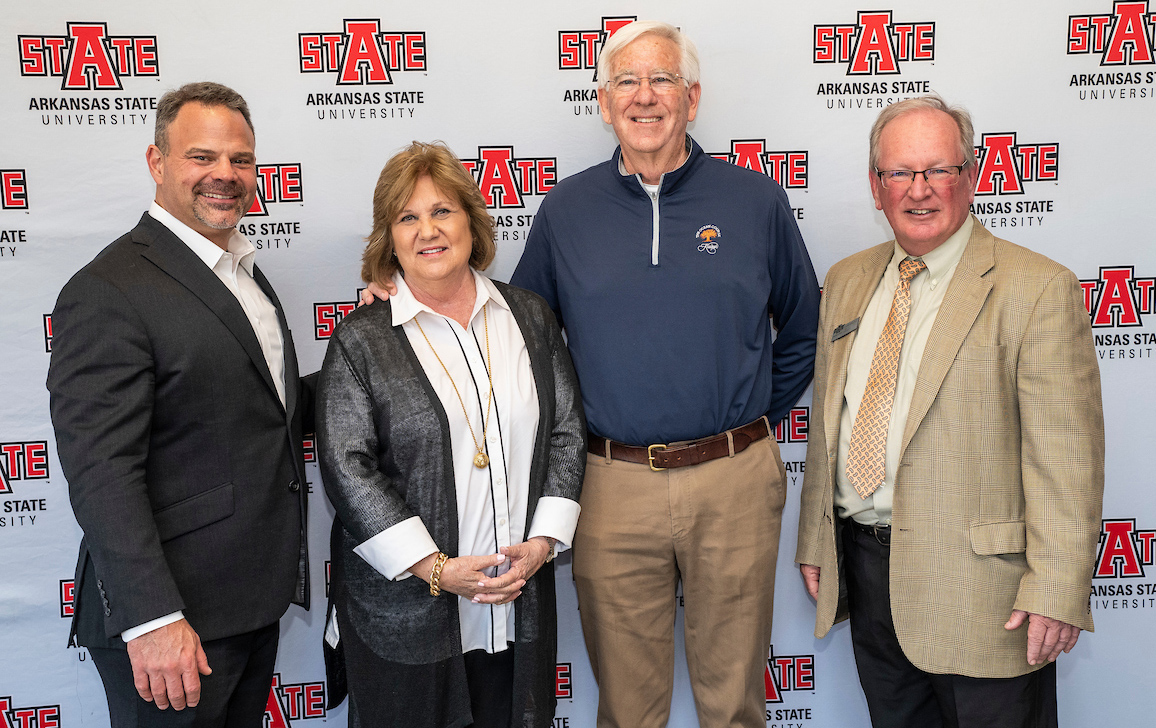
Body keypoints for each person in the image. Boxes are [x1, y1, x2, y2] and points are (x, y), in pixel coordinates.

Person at [510, 20, 820, 728]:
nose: (644, 97)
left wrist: (745, 425)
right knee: (627, 709)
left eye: (662, 79)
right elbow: (520, 337)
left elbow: (801, 331)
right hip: (610, 485)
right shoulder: (565, 211)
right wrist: (402, 296)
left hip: (733, 479)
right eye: (626, 80)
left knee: (735, 703)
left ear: (693, 97)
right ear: (602, 100)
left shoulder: (757, 201)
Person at [795, 95, 1104, 728]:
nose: (919, 190)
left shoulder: (1036, 288)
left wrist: (1057, 587)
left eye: (938, 170)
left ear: (972, 175)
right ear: (875, 188)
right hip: (869, 574)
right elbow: (830, 423)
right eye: (900, 174)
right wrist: (815, 541)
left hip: (988, 598)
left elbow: (1066, 460)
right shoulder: (847, 280)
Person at [47, 82, 313, 726]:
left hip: (249, 601)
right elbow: (102, 472)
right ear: (157, 162)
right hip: (173, 625)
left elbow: (266, 411)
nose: (224, 174)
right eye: (202, 156)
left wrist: (375, 352)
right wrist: (154, 619)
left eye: (241, 160)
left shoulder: (244, 272)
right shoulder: (108, 289)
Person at [317, 141, 586, 728]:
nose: (427, 231)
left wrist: (543, 543)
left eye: (442, 211)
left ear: (472, 219)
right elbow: (347, 467)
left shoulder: (531, 317)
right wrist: (435, 569)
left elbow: (566, 432)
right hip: (407, 615)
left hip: (518, 603)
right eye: (407, 217)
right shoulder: (362, 339)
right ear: (389, 238)